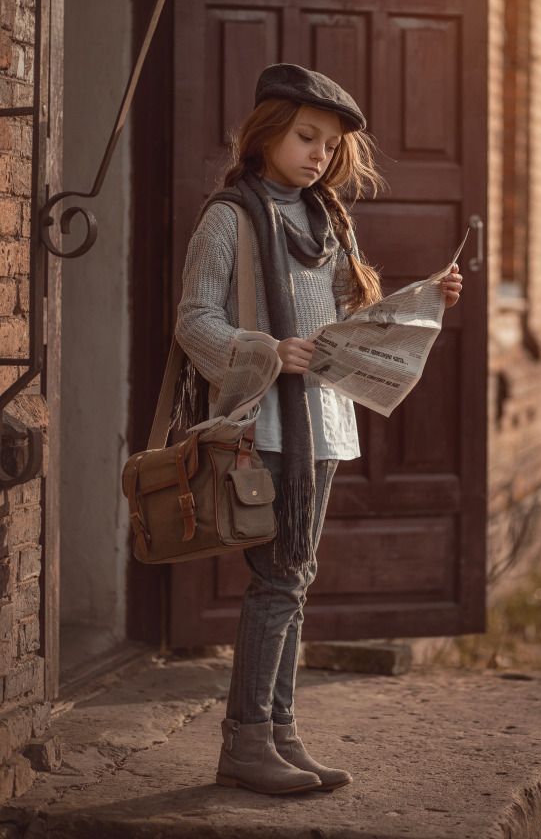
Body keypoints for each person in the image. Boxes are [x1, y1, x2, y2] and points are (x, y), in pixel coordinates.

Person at [175, 64, 463, 796]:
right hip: (266, 424)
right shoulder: (230, 218)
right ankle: (246, 742)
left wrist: (426, 298)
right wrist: (270, 352)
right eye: (307, 138)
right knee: (277, 579)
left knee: (294, 580)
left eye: (331, 147)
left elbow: (346, 321)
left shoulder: (328, 220)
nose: (319, 155)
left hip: (324, 422)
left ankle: (279, 731)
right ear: (269, 131)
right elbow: (194, 322)